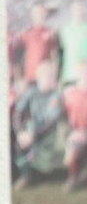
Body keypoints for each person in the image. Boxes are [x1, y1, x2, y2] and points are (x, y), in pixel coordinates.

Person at [12, 60, 62, 190]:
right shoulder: (31, 92)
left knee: (42, 163)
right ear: (38, 77)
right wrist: (19, 133)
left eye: (51, 76)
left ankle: (39, 175)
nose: (49, 79)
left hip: (45, 133)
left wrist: (32, 135)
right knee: (18, 145)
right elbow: (18, 112)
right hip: (30, 131)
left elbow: (51, 123)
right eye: (45, 75)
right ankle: (25, 175)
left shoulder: (55, 96)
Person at [62, 59, 87, 192]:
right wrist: (71, 131)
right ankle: (72, 179)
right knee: (71, 156)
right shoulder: (68, 92)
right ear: (78, 74)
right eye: (82, 72)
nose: (85, 75)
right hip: (74, 132)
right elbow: (62, 115)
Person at [58, 0, 87, 86]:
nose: (78, 12)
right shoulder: (64, 31)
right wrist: (59, 77)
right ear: (71, 11)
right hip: (69, 75)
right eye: (75, 9)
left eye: (81, 9)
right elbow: (60, 55)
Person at [18, 3, 60, 85]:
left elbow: (54, 56)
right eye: (36, 13)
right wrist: (20, 77)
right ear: (32, 14)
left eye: (41, 12)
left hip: (45, 78)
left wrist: (54, 76)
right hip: (29, 76)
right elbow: (19, 57)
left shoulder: (51, 33)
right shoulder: (26, 33)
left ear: (45, 14)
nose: (39, 15)